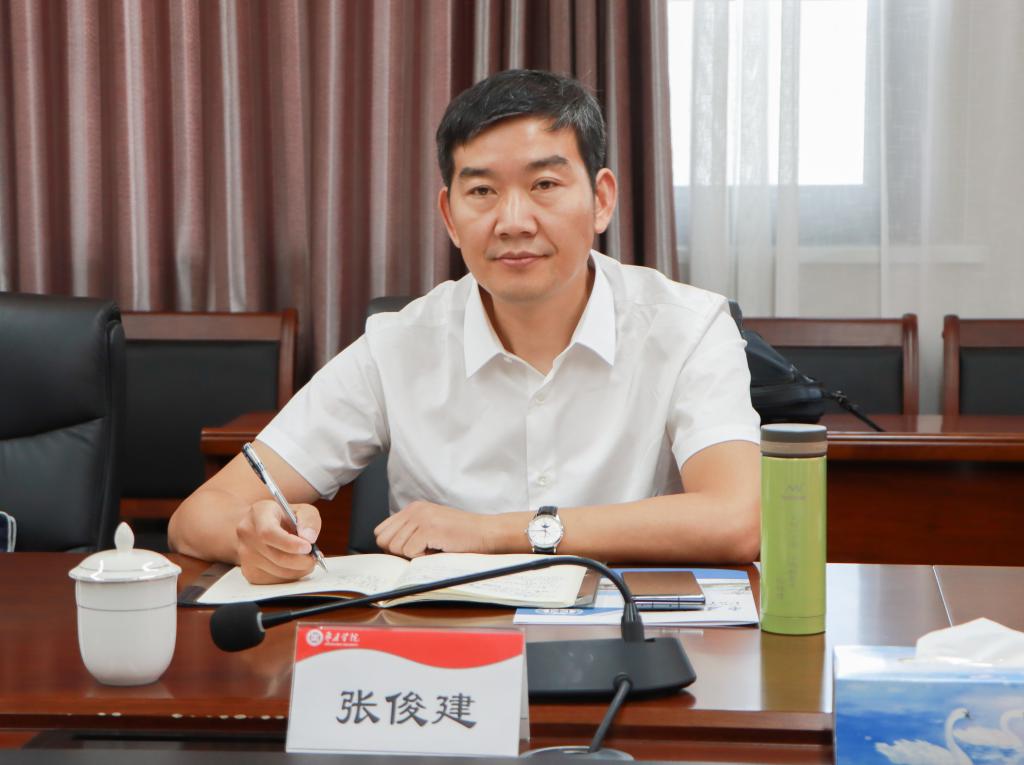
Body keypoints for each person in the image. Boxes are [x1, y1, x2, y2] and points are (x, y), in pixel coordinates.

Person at [168, 69, 761, 584]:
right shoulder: (399, 344)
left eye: (544, 185)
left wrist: (493, 533)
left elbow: (739, 519)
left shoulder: (689, 327)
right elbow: (197, 517)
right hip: (448, 650)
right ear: (450, 216)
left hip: (630, 643)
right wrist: (258, 537)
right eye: (482, 191)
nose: (513, 221)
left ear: (601, 200)